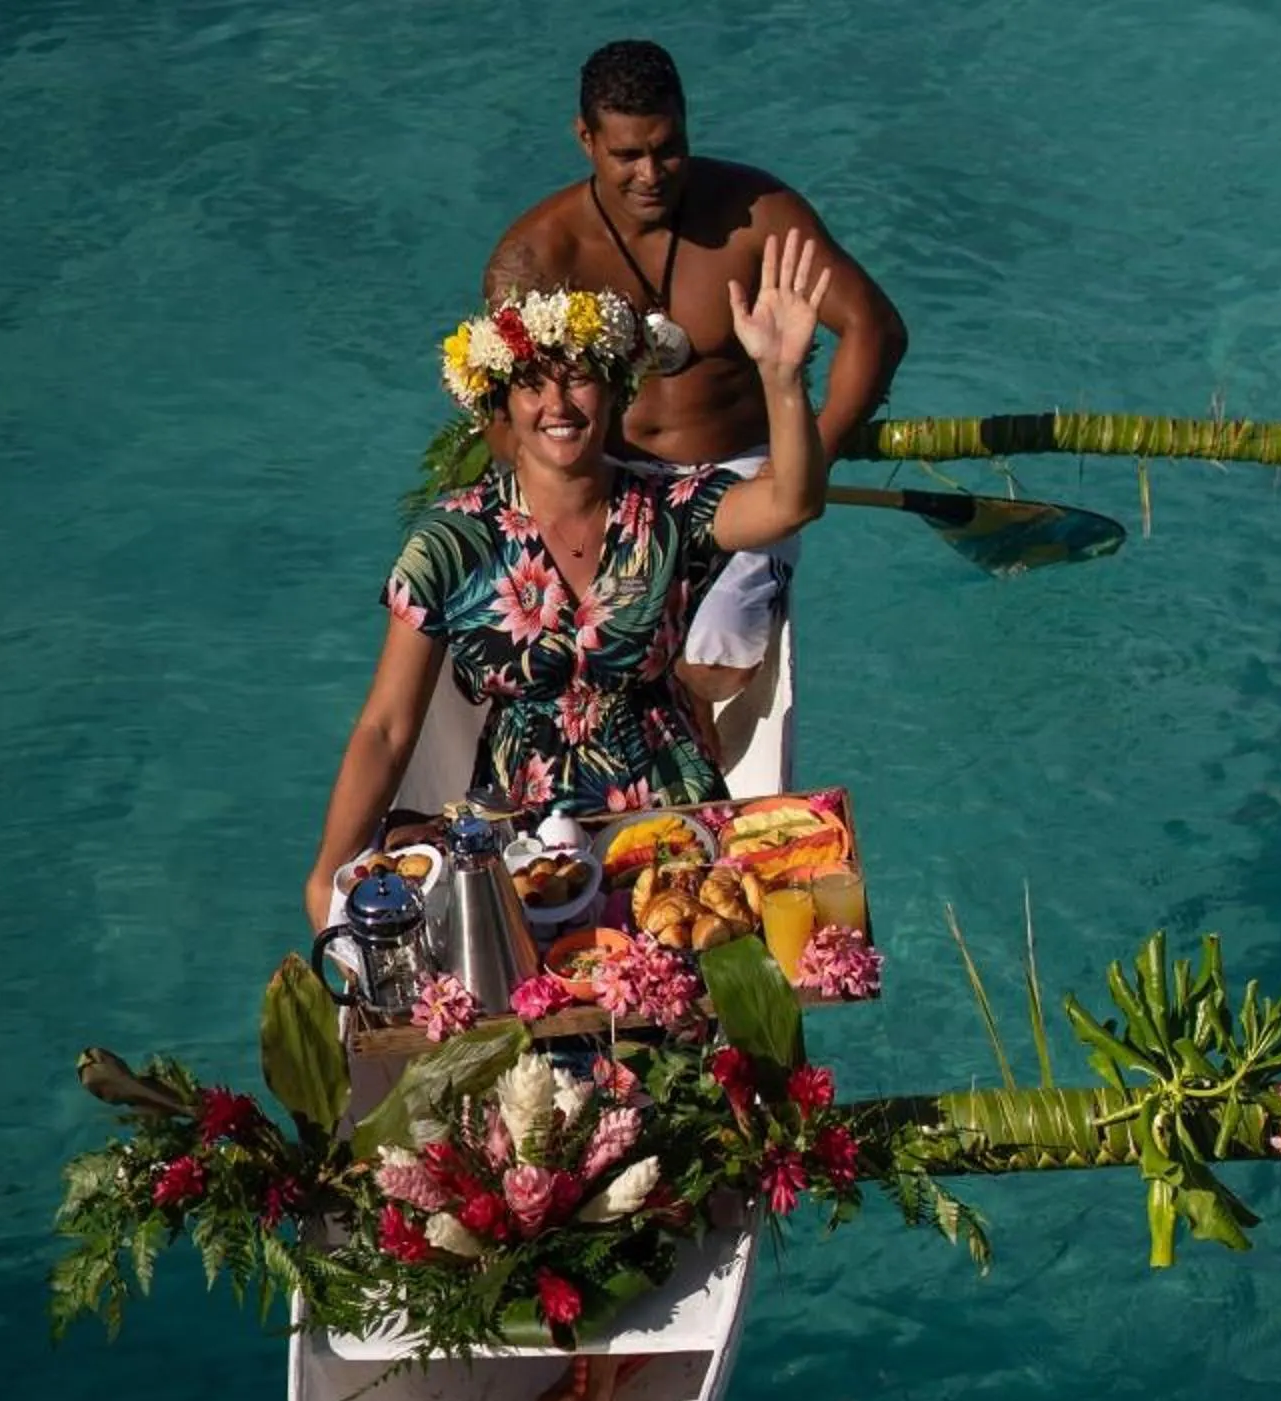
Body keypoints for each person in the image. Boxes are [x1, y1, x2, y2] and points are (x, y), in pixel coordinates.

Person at [301, 228, 837, 939]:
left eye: (579, 377)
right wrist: (328, 869)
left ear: (616, 389)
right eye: (531, 382)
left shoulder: (671, 509)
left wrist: (781, 377)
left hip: (670, 835)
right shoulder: (453, 541)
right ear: (502, 400)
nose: (557, 403)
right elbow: (386, 726)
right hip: (517, 854)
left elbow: (791, 502)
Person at [481, 39, 907, 681]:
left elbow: (874, 329)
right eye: (627, 155)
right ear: (586, 139)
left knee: (710, 656)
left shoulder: (757, 216)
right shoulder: (538, 255)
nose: (651, 175)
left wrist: (810, 456)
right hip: (607, 485)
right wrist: (562, 508)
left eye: (667, 148)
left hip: (741, 483)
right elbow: (501, 408)